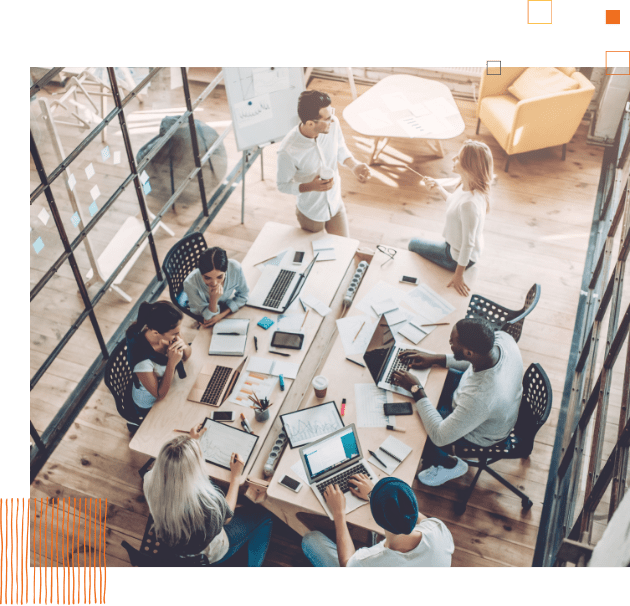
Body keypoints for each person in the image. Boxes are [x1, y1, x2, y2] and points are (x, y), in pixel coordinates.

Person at [392, 318, 523, 487]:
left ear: (468, 353)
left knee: (416, 429)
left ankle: (449, 464)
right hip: (474, 396)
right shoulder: (502, 339)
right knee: (428, 392)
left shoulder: (482, 397)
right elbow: (473, 362)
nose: (449, 344)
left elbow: (440, 437)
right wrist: (435, 358)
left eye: (452, 342)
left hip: (481, 432)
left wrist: (416, 388)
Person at [143, 423, 273, 566]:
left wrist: (191, 442)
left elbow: (175, 467)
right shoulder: (205, 503)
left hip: (174, 544)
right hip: (211, 553)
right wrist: (235, 477)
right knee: (265, 517)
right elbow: (227, 516)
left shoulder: (149, 480)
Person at [276, 89, 372, 238]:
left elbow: (340, 148)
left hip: (335, 204)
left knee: (344, 247)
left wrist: (354, 165)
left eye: (331, 113)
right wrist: (310, 187)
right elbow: (283, 185)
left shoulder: (333, 124)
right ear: (309, 123)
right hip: (311, 213)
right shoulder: (287, 151)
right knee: (317, 256)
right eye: (326, 118)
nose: (332, 120)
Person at [301, 476, 454, 567]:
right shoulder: (438, 529)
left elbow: (347, 563)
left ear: (377, 518)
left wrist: (339, 512)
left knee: (310, 540)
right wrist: (374, 494)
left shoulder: (370, 561)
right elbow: (413, 513)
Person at [408, 139, 494, 297]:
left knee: (412, 244)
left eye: (458, 158)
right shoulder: (468, 186)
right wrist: (438, 187)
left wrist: (458, 275)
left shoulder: (470, 205)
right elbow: (454, 204)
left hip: (454, 257)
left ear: (469, 166)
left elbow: (468, 245)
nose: (453, 159)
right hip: (460, 247)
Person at [126, 301, 191, 416]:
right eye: (175, 333)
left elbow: (187, 356)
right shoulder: (142, 360)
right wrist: (171, 363)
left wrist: (182, 345)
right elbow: (159, 395)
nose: (178, 335)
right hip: (150, 403)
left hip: (170, 385)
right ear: (156, 333)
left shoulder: (166, 331)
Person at [183, 246, 249, 327]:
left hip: (223, 309)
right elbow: (208, 318)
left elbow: (244, 295)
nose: (214, 283)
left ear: (226, 270)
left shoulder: (235, 268)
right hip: (204, 312)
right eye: (207, 278)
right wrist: (213, 299)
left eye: (220, 277)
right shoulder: (190, 283)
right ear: (200, 272)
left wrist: (221, 315)